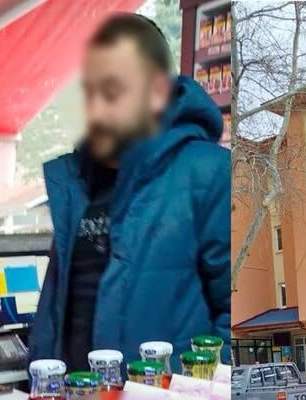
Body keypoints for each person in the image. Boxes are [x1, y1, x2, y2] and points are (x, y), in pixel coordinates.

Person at [30, 13, 230, 374]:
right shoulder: (74, 183)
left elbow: (233, 318)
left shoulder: (209, 173)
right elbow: (59, 315)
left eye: (113, 91)